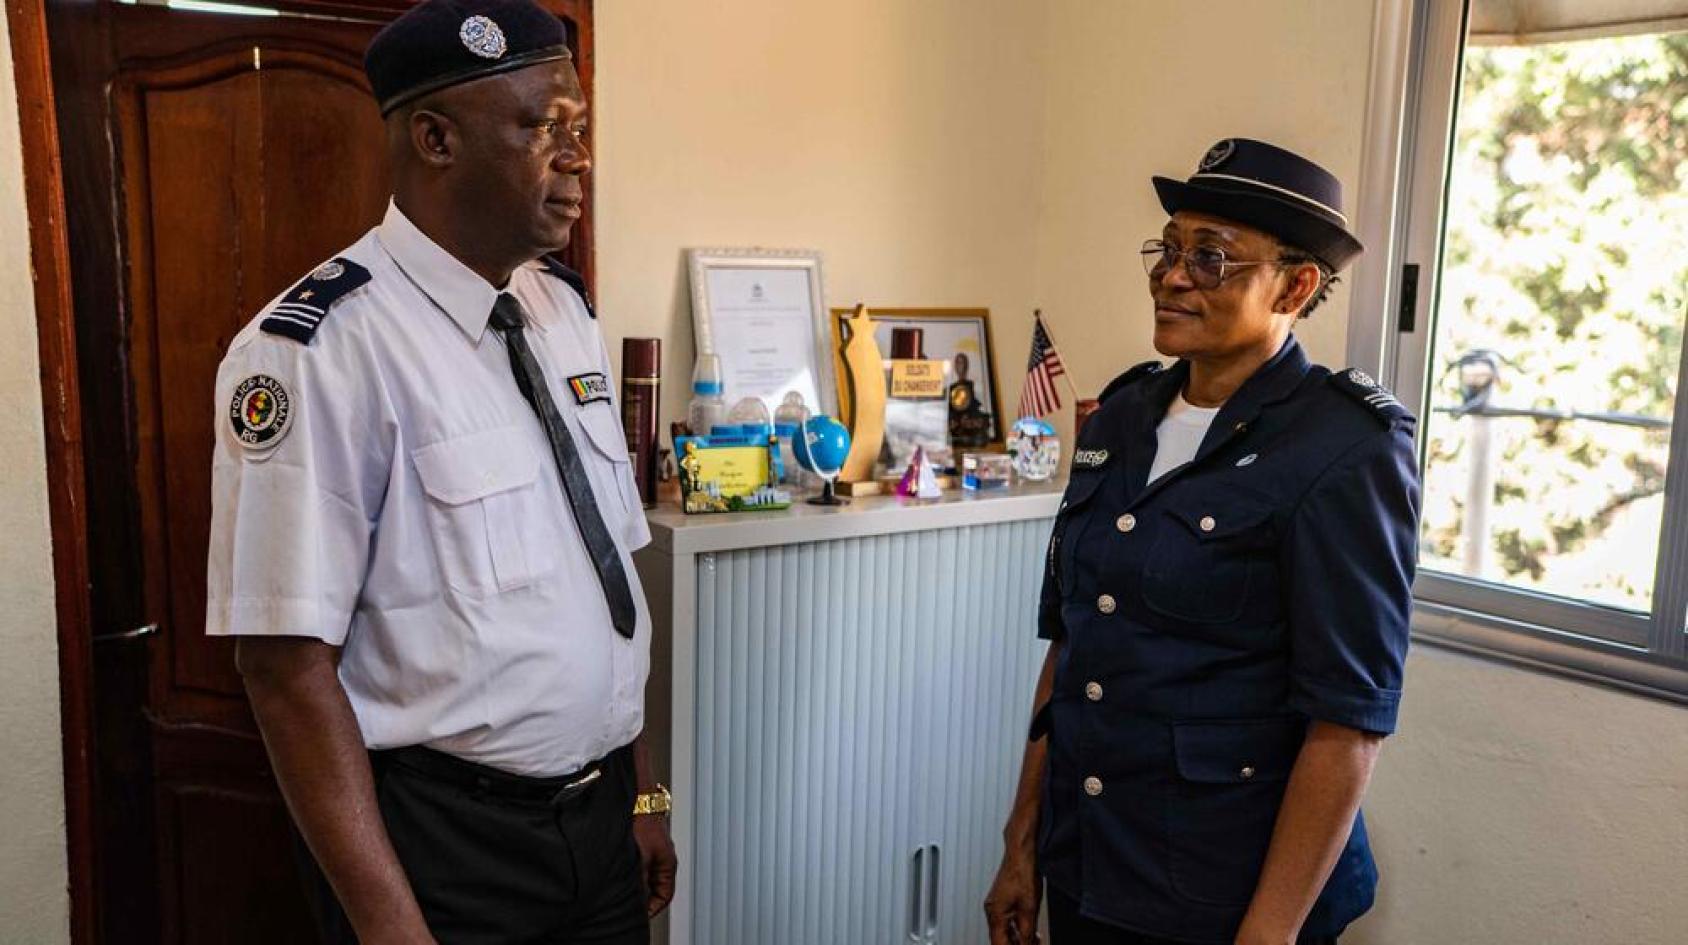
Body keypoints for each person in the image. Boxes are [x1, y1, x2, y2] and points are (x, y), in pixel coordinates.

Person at [205, 2, 676, 942]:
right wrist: (390, 925)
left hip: (598, 823)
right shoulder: (318, 351)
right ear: (435, 139)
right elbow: (283, 666)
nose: (578, 157)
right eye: (544, 127)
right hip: (447, 850)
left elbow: (608, 579)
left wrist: (645, 789)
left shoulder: (559, 309)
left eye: (579, 129)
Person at [985, 138, 1421, 945]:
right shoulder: (1120, 415)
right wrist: (1022, 843)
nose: (1173, 276)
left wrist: (1268, 935)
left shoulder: (1345, 447)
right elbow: (1074, 649)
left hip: (1225, 893)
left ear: (1296, 285)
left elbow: (1348, 724)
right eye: (1170, 249)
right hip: (1091, 862)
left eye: (1212, 258)